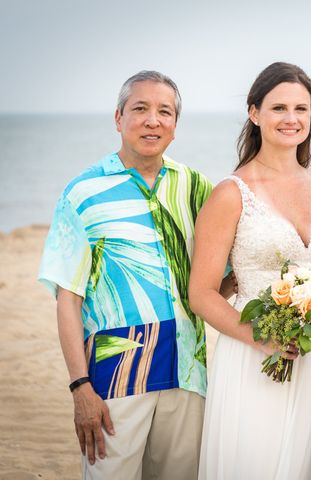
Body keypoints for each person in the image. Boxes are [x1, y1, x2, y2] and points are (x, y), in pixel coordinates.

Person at [38, 71, 235, 479]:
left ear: (175, 126)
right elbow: (67, 299)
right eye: (140, 109)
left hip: (186, 369)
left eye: (165, 112)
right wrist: (80, 388)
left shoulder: (195, 186)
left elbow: (223, 277)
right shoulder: (83, 193)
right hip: (116, 373)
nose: (153, 120)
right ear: (118, 118)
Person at [189, 62, 311, 480]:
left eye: (301, 108)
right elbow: (202, 293)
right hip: (253, 358)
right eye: (279, 108)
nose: (291, 119)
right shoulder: (230, 194)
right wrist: (261, 337)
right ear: (254, 112)